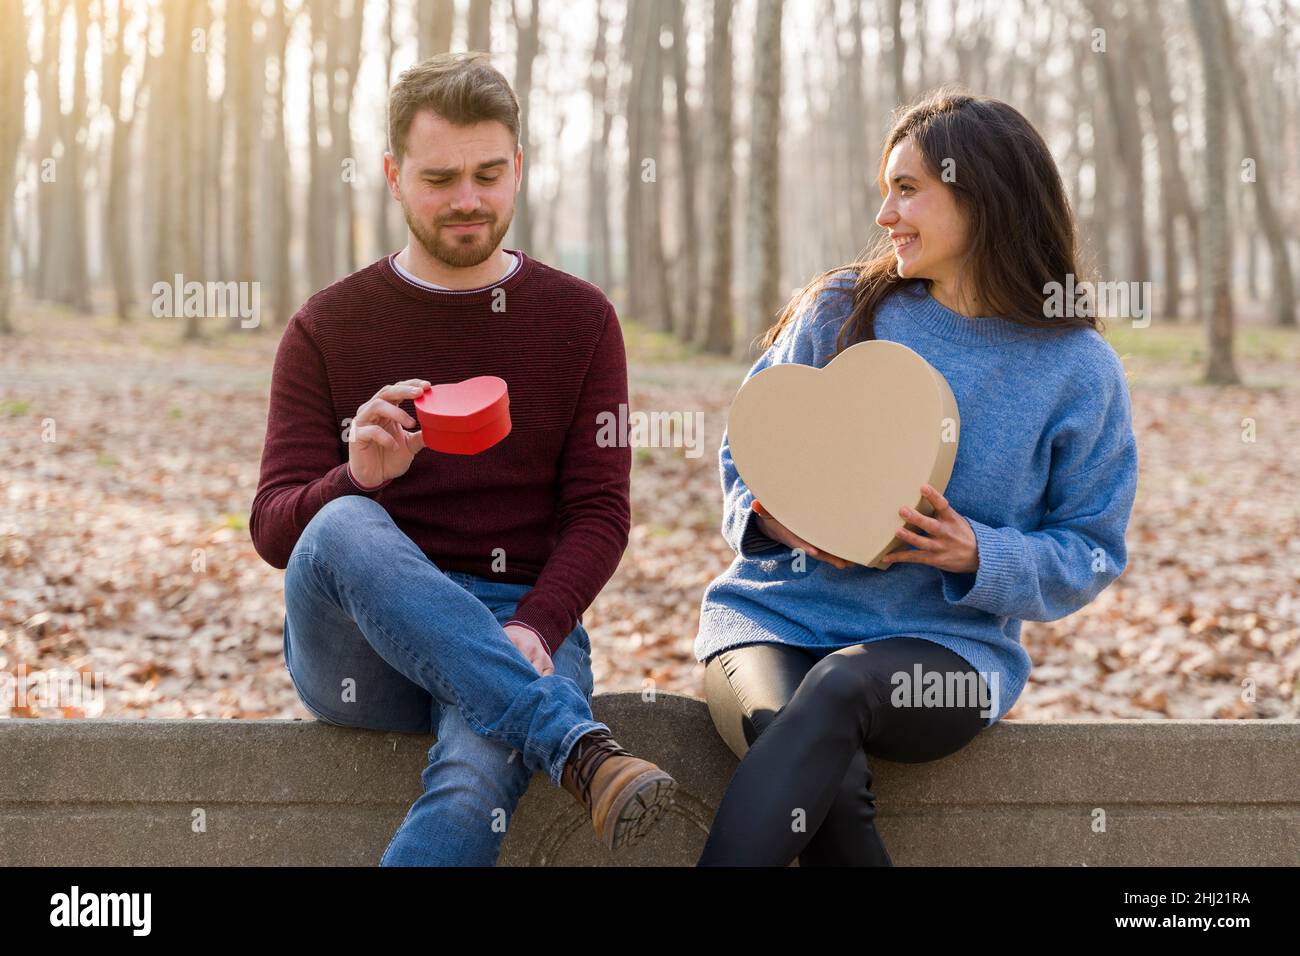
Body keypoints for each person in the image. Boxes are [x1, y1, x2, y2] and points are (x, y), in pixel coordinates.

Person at [694, 87, 1140, 866]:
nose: (884, 216)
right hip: (773, 624)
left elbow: (1091, 547)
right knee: (822, 771)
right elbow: (748, 446)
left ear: (984, 198)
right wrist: (774, 519)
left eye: (907, 190)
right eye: (884, 191)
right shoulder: (839, 309)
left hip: (947, 655)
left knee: (837, 689)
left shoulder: (1076, 369)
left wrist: (981, 554)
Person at [249, 52, 676, 866]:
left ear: (518, 168)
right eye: (440, 178)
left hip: (522, 626)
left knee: (475, 776)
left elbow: (600, 513)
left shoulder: (580, 319)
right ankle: (578, 748)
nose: (468, 200)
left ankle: (549, 729)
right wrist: (358, 477)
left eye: (488, 173)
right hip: (358, 648)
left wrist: (537, 624)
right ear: (393, 175)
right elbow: (275, 530)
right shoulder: (327, 326)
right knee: (342, 520)